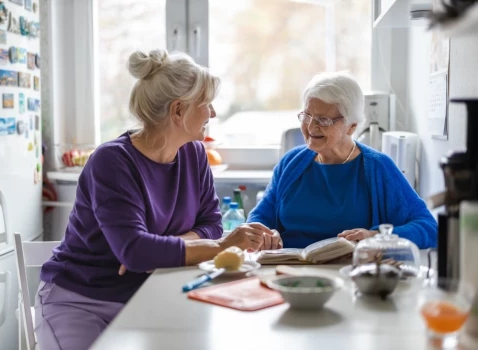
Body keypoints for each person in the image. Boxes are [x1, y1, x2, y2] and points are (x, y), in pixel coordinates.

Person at [34, 49, 277, 350]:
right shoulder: (112, 161)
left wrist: (160, 248)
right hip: (81, 300)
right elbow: (137, 252)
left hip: (147, 295)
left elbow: (211, 223)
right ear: (178, 111)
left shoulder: (194, 154)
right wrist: (221, 247)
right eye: (206, 104)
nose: (213, 114)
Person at [248, 72, 437, 250]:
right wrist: (265, 234)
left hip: (350, 274)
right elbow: (259, 217)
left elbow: (429, 228)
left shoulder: (378, 167)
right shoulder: (291, 162)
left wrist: (376, 237)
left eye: (323, 119)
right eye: (307, 116)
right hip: (287, 271)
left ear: (351, 126)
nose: (311, 126)